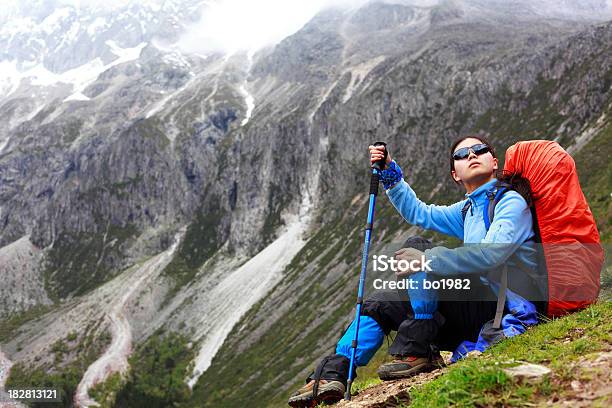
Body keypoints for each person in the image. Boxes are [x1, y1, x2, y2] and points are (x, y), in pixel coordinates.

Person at [288, 135, 542, 408]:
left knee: (418, 248)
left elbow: (491, 254)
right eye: (462, 154)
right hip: (473, 310)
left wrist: (426, 259)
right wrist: (389, 172)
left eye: (480, 150)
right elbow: (421, 213)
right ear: (455, 174)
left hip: (502, 310)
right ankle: (332, 374)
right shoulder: (468, 209)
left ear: (494, 162)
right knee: (380, 303)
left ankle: (418, 348)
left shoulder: (509, 202)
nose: (472, 155)